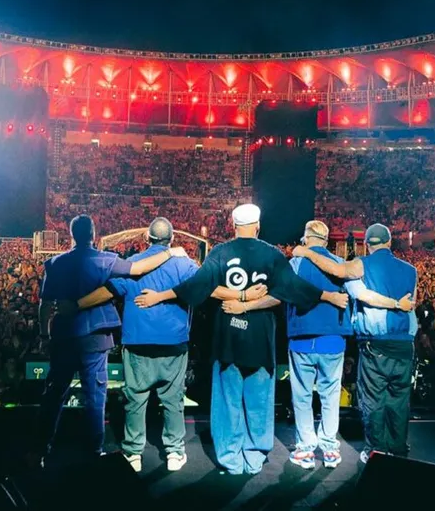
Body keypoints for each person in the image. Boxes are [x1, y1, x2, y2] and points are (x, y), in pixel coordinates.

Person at [135, 204, 349, 476]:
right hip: (261, 340)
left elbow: (200, 286)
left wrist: (159, 296)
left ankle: (230, 460)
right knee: (259, 401)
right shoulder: (271, 254)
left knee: (228, 401)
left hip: (228, 339)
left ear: (232, 225)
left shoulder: (221, 252)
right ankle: (255, 458)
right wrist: (327, 296)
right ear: (258, 225)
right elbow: (289, 290)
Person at [58, 218, 266, 473]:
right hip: (173, 344)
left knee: (135, 400)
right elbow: (212, 289)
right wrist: (244, 295)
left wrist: (76, 305)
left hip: (137, 344)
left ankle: (133, 453)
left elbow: (108, 290)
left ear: (147, 239)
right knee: (173, 400)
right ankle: (175, 452)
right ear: (172, 239)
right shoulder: (184, 264)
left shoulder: (135, 263)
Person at [34, 214, 187, 466]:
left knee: (54, 394)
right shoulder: (105, 260)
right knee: (95, 397)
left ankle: (39, 450)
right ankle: (94, 451)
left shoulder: (55, 263)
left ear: (71, 234)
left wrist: (43, 335)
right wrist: (169, 252)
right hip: (96, 338)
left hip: (64, 337)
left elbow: (45, 305)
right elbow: (139, 268)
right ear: (93, 233)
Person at [293, 223, 417, 462]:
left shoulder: (362, 264)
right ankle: (399, 450)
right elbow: (412, 303)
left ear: (367, 245)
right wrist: (399, 305)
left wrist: (307, 252)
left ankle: (375, 451)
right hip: (404, 345)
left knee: (373, 399)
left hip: (376, 344)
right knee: (400, 400)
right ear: (390, 242)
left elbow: (351, 284)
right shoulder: (411, 270)